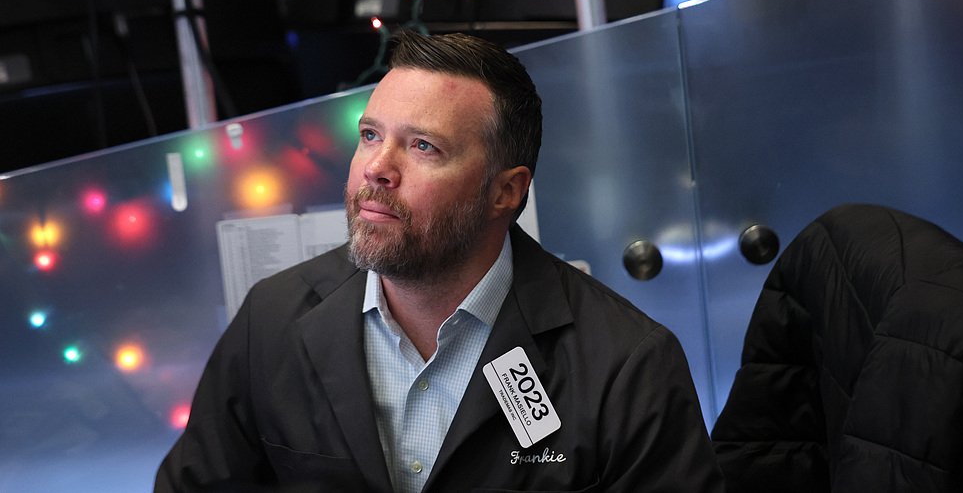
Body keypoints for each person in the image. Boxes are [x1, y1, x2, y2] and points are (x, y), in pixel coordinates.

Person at [155, 31, 723, 492]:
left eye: (424, 146)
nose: (377, 168)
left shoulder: (625, 363)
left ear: (506, 191)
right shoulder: (272, 320)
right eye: (370, 135)